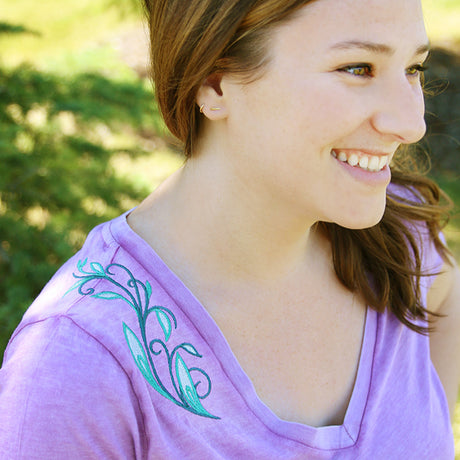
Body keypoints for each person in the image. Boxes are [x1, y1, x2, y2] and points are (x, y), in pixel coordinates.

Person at [1, 0, 459, 458]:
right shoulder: (77, 366)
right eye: (358, 69)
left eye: (413, 68)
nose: (411, 124)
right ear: (214, 82)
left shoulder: (405, 238)